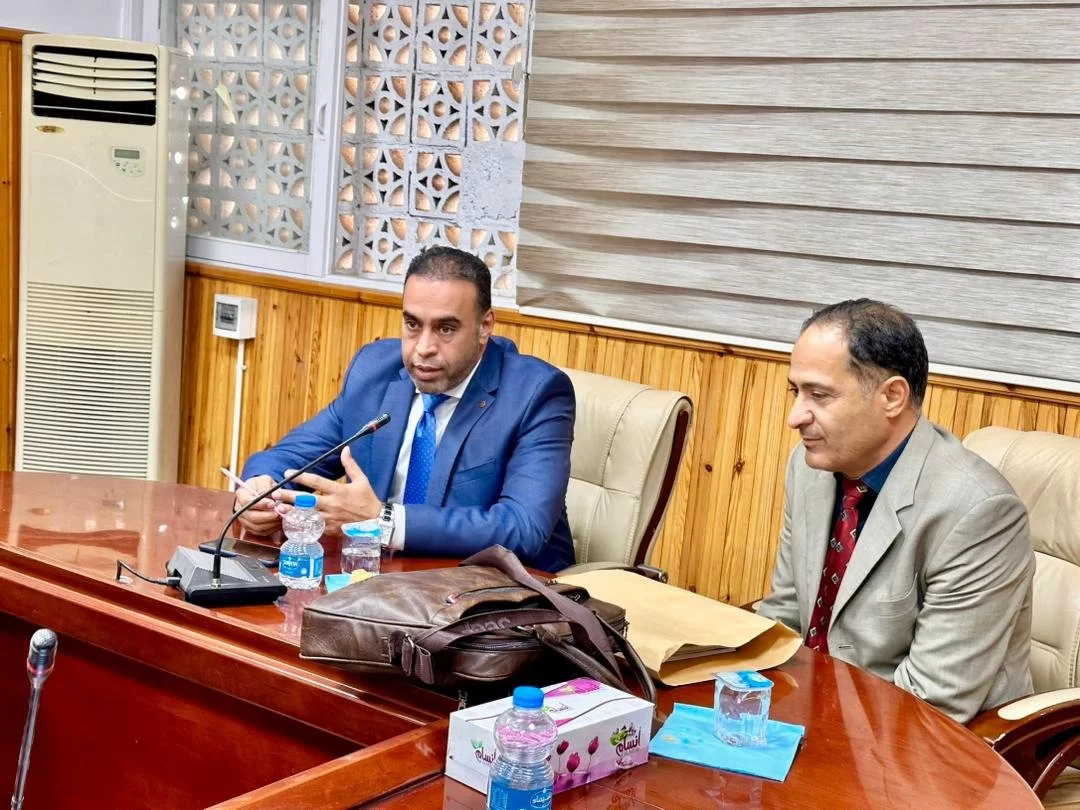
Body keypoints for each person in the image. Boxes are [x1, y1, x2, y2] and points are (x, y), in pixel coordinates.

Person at [757, 299, 1034, 723]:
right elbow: (785, 617)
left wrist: (811, 726)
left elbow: (932, 701)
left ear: (892, 396)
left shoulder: (977, 511)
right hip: (813, 715)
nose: (795, 417)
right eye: (795, 391)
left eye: (819, 395)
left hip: (924, 740)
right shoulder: (808, 467)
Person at [235, 246, 576, 572]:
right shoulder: (375, 370)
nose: (423, 348)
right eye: (413, 324)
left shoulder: (535, 393)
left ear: (485, 326)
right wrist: (260, 489)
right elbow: (289, 457)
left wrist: (384, 521)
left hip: (496, 592)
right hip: (380, 578)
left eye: (445, 329)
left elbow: (523, 527)